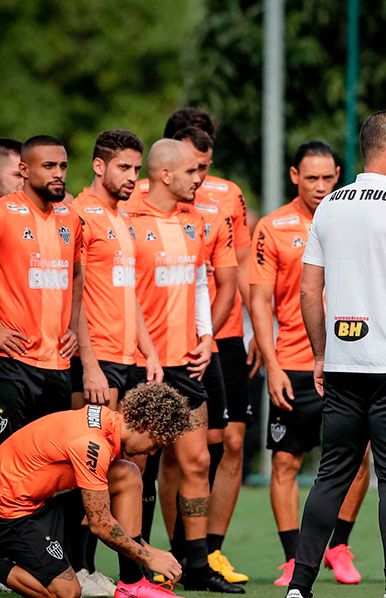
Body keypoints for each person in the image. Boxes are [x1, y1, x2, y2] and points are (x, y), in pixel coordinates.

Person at [284, 111, 386, 598]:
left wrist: (318, 355)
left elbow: (309, 290)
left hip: (343, 365)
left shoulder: (329, 205)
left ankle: (299, 586)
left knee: (331, 475)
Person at [248, 141, 371, 587]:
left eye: (327, 177)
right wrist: (272, 365)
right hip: (294, 365)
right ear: (294, 176)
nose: (320, 187)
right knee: (286, 463)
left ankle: (338, 546)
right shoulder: (273, 226)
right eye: (311, 178)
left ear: (338, 174)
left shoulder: (354, 220)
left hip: (349, 362)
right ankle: (292, 557)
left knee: (359, 460)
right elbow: (259, 302)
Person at [126, 139, 241, 593]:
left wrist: (207, 335)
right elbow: (124, 294)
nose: (201, 179)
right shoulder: (130, 220)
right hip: (141, 363)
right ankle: (134, 571)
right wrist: (147, 350)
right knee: (134, 466)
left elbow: (197, 283)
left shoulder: (198, 221)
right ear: (166, 175)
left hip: (188, 363)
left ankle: (196, 565)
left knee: (196, 460)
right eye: (193, 171)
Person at [68, 130, 165, 596]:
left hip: (125, 359)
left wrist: (149, 349)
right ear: (98, 165)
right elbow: (75, 294)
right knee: (88, 467)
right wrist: (89, 365)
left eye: (136, 167)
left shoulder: (120, 218)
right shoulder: (81, 214)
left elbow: (130, 294)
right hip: (97, 359)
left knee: (124, 465)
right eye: (123, 167)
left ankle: (122, 577)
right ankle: (78, 569)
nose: (132, 176)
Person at [161, 109, 254, 583]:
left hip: (222, 338)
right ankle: (168, 554)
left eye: (205, 161)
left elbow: (231, 276)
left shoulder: (223, 201)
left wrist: (252, 332)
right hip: (156, 349)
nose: (201, 172)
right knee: (164, 455)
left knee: (222, 445)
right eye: (193, 162)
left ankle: (206, 553)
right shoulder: (140, 207)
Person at [0, 383, 191, 598]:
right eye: (156, 443)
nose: (153, 452)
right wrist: (148, 556)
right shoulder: (93, 445)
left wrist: (143, 548)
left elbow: (101, 518)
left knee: (127, 474)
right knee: (67, 593)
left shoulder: (107, 420)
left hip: (39, 499)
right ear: (144, 425)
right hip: (10, 512)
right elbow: (100, 525)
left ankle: (132, 584)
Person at [0, 135, 82, 444]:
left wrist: (73, 326)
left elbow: (76, 275)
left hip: (58, 365)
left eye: (63, 166)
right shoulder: (4, 212)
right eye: (48, 166)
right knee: (6, 460)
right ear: (23, 169)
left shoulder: (70, 217)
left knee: (47, 468)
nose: (58, 173)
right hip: (12, 363)